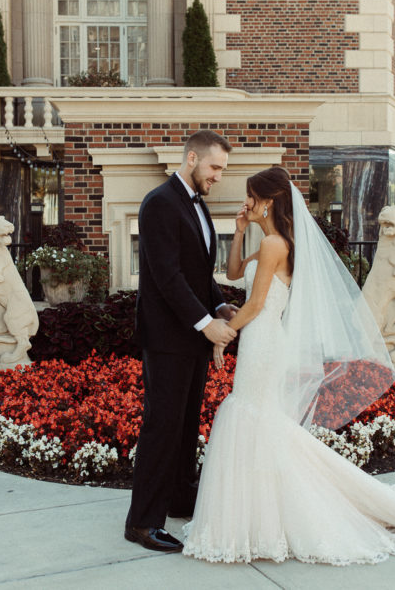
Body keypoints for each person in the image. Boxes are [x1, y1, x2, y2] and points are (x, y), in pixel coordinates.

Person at [182, 166, 395, 565]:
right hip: (260, 340)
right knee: (260, 421)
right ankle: (262, 518)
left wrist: (222, 333)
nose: (247, 203)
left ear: (270, 201)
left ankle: (268, 518)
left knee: (255, 418)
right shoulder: (272, 242)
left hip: (262, 342)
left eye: (251, 198)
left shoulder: (277, 244)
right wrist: (240, 230)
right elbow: (233, 273)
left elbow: (256, 305)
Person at [124, 130, 239, 553]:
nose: (218, 176)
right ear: (192, 158)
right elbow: (166, 276)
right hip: (168, 338)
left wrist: (220, 306)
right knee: (162, 427)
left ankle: (176, 499)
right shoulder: (159, 203)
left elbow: (196, 274)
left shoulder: (197, 206)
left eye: (222, 169)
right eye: (214, 167)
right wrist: (204, 324)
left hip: (190, 337)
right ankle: (141, 523)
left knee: (187, 424)